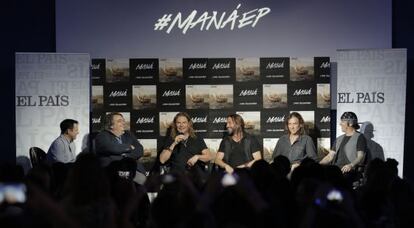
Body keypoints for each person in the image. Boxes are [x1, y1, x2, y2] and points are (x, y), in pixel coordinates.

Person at [95, 112, 146, 183]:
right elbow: (111, 148)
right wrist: (129, 147)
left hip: (133, 170)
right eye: (119, 121)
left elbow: (140, 150)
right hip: (112, 171)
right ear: (111, 125)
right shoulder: (102, 136)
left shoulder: (128, 134)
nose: (123, 123)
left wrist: (124, 154)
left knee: (142, 181)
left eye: (123, 120)